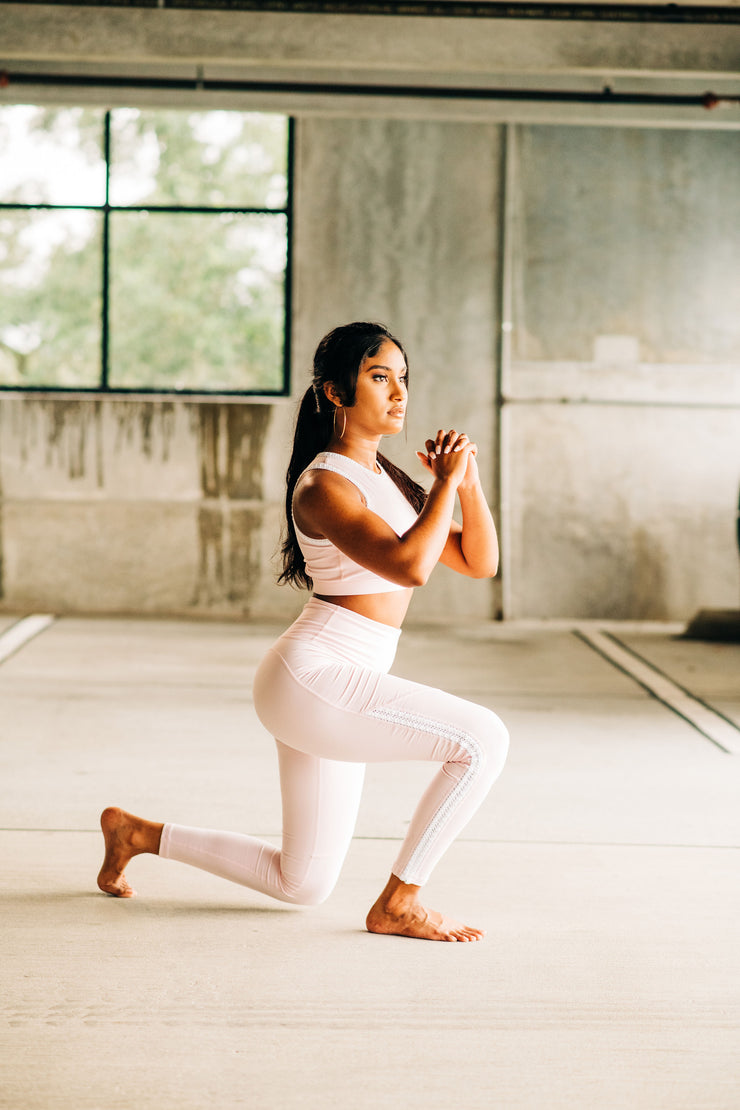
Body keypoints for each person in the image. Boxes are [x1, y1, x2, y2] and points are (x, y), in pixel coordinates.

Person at [98, 322, 509, 942]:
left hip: (338, 681)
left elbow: (479, 562)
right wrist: (445, 486)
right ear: (335, 393)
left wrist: (468, 486)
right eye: (378, 377)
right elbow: (411, 568)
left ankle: (137, 835)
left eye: (403, 378)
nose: (398, 392)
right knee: (482, 740)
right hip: (313, 678)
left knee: (302, 883)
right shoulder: (323, 486)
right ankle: (400, 902)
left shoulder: (391, 480)